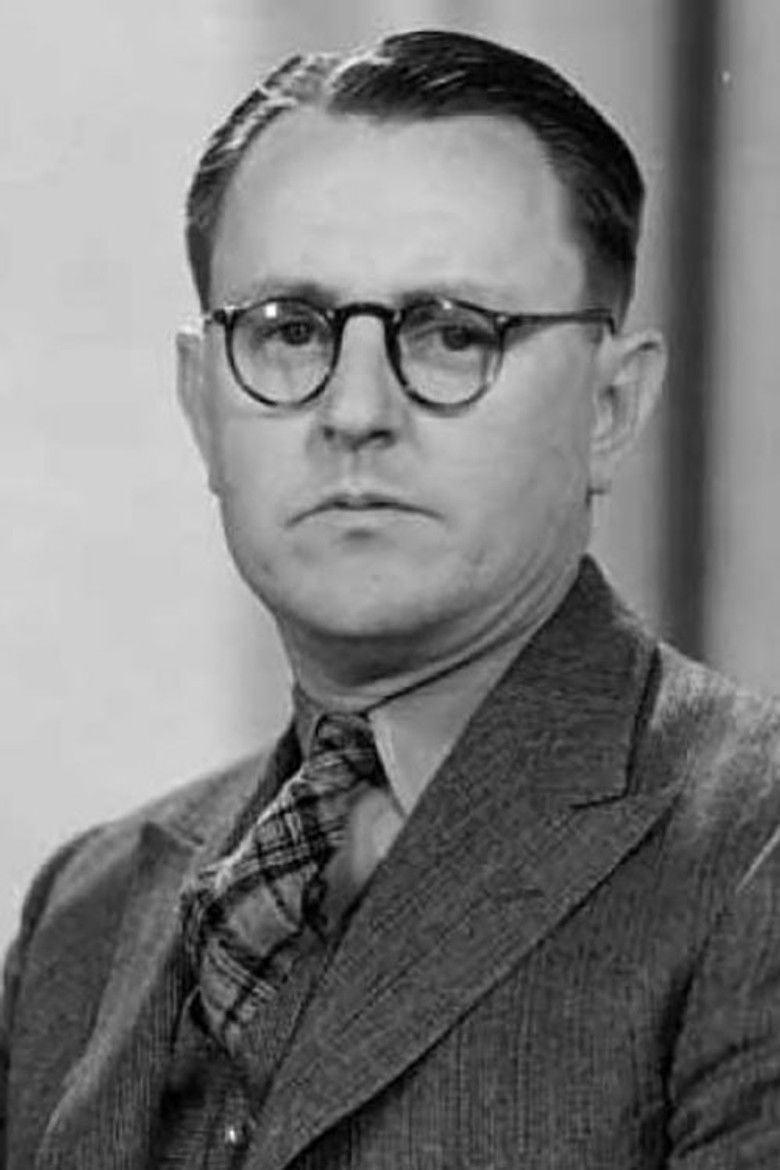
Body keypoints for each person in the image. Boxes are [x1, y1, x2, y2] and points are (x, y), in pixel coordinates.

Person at [2, 27, 780, 1169]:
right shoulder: (86, 913)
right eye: (289, 332)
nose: (356, 410)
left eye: (454, 334)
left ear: (613, 407)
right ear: (203, 405)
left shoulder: (753, 849)